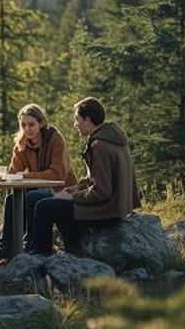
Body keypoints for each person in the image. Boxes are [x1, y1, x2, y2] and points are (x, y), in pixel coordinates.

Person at [30, 97, 141, 255]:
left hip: (106, 211)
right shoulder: (112, 138)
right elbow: (95, 179)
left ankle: (41, 254)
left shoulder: (99, 146)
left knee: (44, 207)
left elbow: (102, 191)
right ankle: (73, 247)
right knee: (52, 201)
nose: (75, 124)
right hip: (117, 207)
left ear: (87, 120)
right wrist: (73, 190)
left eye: (77, 119)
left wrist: (73, 197)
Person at [0, 103, 77, 260]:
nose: (27, 129)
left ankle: (31, 245)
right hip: (35, 188)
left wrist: (25, 176)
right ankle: (6, 248)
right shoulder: (21, 144)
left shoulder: (54, 139)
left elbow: (56, 175)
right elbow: (14, 173)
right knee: (12, 199)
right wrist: (4, 177)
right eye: (23, 125)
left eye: (31, 124)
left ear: (41, 123)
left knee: (32, 197)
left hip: (62, 190)